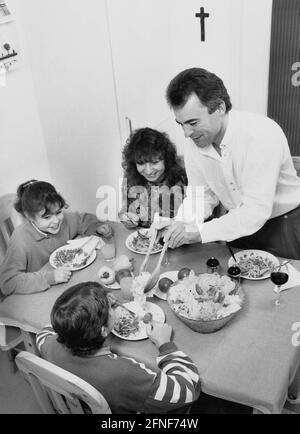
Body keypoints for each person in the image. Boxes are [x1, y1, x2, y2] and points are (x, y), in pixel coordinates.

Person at [156, 67, 300, 259]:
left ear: (220, 108)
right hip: (235, 227)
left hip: (283, 225)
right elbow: (201, 196)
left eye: (193, 122)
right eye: (180, 124)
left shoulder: (262, 135)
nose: (186, 133)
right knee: (235, 286)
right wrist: (181, 225)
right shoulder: (195, 143)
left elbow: (256, 210)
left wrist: (199, 232)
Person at [36, 281, 201, 414]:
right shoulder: (124, 374)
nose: (113, 305)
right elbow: (187, 390)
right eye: (110, 309)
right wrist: (165, 345)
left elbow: (43, 332)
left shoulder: (48, 345)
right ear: (103, 331)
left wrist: (86, 314)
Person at [0, 180, 113, 296]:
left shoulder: (63, 221)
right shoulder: (21, 239)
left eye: (58, 212)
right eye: (47, 217)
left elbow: (82, 220)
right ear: (29, 216)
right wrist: (50, 277)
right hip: (36, 294)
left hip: (68, 287)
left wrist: (97, 227)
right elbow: (8, 282)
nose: (55, 221)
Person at [119, 127, 187, 228]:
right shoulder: (130, 179)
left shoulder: (184, 175)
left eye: (155, 162)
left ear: (166, 159)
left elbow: (201, 215)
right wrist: (128, 220)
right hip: (144, 239)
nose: (148, 171)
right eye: (141, 163)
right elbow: (125, 212)